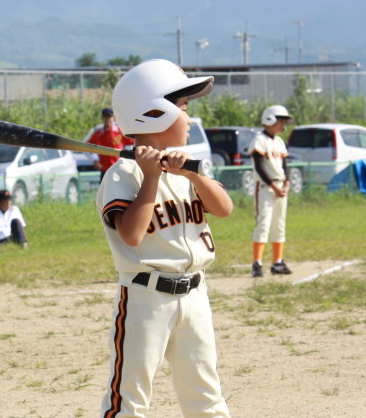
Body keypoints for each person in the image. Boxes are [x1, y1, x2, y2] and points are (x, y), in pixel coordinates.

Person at [97, 59, 233, 417]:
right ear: (154, 113)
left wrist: (193, 173)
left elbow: (224, 208)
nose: (189, 119)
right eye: (183, 108)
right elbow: (131, 234)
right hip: (146, 298)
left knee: (207, 398)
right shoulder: (122, 175)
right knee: (129, 401)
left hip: (195, 295)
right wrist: (151, 176)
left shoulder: (187, 168)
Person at [249, 104, 294, 278]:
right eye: (280, 121)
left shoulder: (279, 141)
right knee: (264, 224)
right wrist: (275, 186)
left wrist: (287, 183)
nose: (283, 126)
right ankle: (257, 263)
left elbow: (284, 165)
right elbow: (260, 167)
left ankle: (277, 262)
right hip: (266, 188)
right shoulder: (259, 140)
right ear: (269, 120)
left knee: (279, 225)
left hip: (280, 186)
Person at [87, 108, 134, 181]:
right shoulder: (99, 133)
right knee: (105, 191)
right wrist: (95, 161)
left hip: (119, 168)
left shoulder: (120, 131)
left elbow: (133, 143)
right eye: (105, 117)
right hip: (105, 170)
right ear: (102, 118)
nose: (107, 119)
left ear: (113, 118)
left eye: (109, 117)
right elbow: (87, 148)